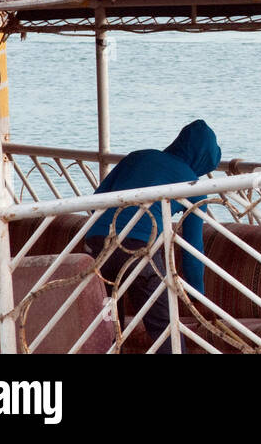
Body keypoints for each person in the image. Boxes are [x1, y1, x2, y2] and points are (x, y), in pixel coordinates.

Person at [84, 119, 222, 352]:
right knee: (163, 325)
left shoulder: (138, 156)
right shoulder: (193, 185)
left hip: (97, 242)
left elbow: (95, 201)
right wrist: (198, 297)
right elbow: (192, 247)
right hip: (139, 249)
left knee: (106, 321)